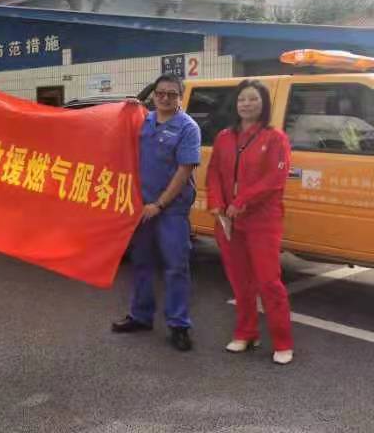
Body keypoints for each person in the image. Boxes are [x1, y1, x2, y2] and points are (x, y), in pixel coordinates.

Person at [206, 79, 294, 365]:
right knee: (240, 281)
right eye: (242, 99)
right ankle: (246, 333)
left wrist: (242, 200)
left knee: (269, 282)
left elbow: (275, 180)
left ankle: (282, 342)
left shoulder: (275, 138)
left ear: (263, 104)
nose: (247, 104)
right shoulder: (224, 137)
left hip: (262, 221)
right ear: (236, 103)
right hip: (228, 221)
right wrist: (217, 203)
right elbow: (214, 173)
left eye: (253, 99)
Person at [112, 74, 201, 351]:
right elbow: (115, 136)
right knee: (141, 263)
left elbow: (184, 171)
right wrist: (125, 109)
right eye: (160, 93)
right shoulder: (143, 120)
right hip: (141, 208)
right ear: (154, 95)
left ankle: (179, 325)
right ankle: (140, 316)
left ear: (180, 97)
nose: (165, 98)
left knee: (176, 267)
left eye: (172, 94)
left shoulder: (188, 128)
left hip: (170, 209)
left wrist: (160, 204)